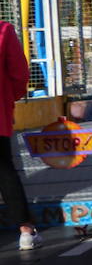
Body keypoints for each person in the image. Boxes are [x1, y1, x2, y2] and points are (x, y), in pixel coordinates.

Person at [1, 21, 38, 250]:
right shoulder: (3, 30)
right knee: (5, 172)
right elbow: (19, 72)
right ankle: (25, 230)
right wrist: (9, 99)